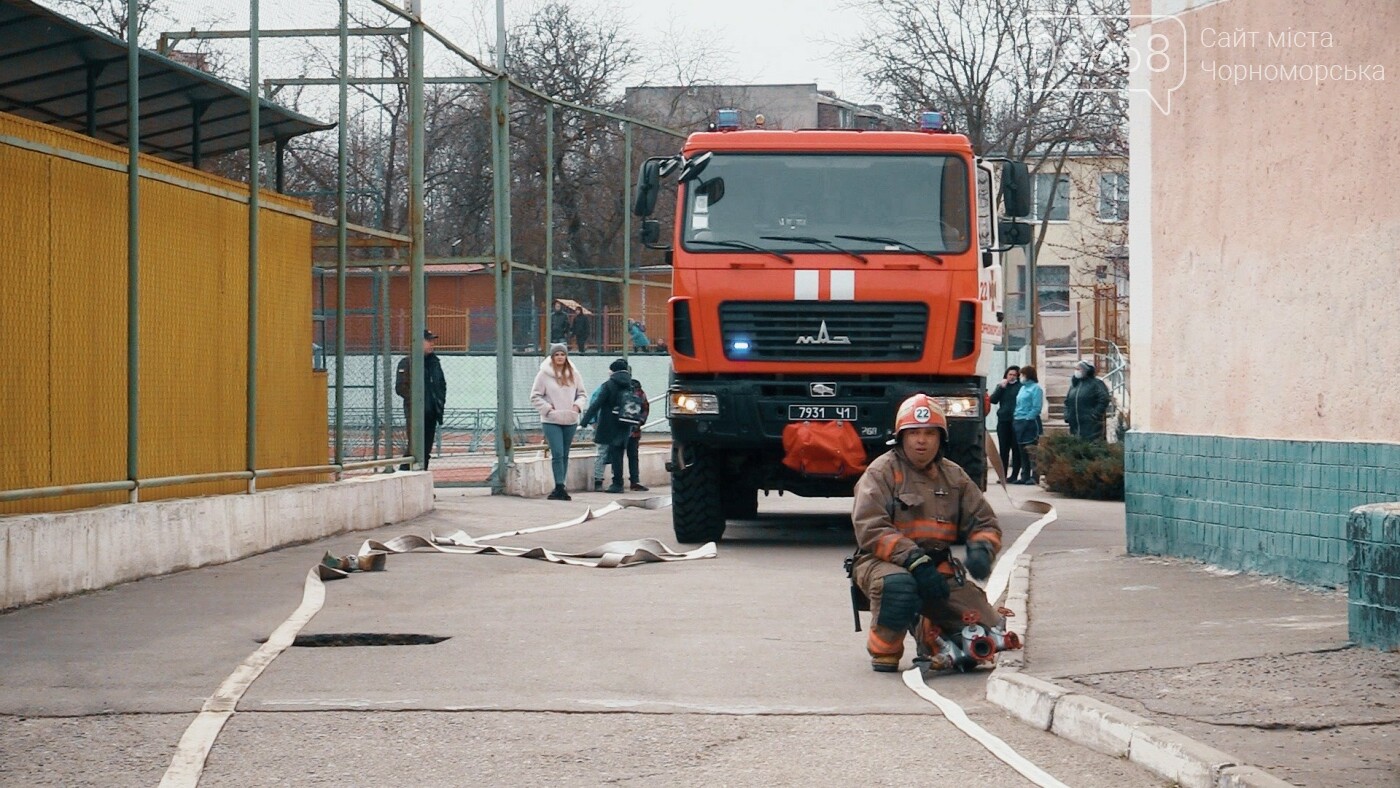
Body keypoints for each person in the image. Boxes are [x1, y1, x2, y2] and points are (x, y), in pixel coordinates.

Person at [850, 394, 1004, 673]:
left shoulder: (954, 477)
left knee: (988, 635)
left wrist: (982, 548)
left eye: (929, 433)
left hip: (936, 568)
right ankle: (885, 650)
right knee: (899, 586)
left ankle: (929, 632)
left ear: (940, 438)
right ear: (901, 438)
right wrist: (914, 560)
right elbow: (870, 527)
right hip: (884, 564)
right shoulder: (881, 472)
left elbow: (985, 522)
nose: (921, 440)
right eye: (914, 433)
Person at [530, 342, 588, 500]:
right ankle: (559, 486)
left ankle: (562, 485)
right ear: (552, 357)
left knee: (565, 454)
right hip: (551, 420)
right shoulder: (543, 374)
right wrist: (548, 409)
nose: (560, 357)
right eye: (557, 354)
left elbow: (582, 394)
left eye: (562, 354)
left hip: (570, 418)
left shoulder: (574, 374)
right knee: (557, 452)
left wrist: (577, 407)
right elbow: (535, 395)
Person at [395, 329, 447, 470]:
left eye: (432, 341)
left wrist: (439, 404)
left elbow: (441, 385)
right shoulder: (407, 363)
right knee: (415, 448)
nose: (432, 344)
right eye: (428, 341)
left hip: (431, 413)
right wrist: (417, 401)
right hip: (416, 413)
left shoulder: (434, 363)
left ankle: (421, 475)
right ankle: (405, 474)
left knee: (426, 450)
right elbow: (400, 387)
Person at [579, 358, 632, 494]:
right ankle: (618, 483)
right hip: (625, 423)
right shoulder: (630, 384)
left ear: (613, 370)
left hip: (609, 424)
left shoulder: (609, 385)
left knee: (603, 452)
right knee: (618, 453)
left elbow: (597, 404)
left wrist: (585, 421)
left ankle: (603, 482)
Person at [988, 365, 1024, 483]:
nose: (1012, 377)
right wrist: (1000, 387)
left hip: (1016, 420)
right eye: (1010, 375)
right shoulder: (1003, 387)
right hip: (1003, 420)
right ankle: (1002, 475)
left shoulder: (1020, 387)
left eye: (1014, 375)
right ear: (1006, 375)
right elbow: (992, 400)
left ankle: (1014, 475)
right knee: (1004, 449)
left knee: (1016, 449)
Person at [1011, 364, 1043, 484]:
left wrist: (1028, 418)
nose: (1020, 377)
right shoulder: (1022, 388)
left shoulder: (1036, 389)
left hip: (1030, 422)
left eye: (1022, 375)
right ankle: (1024, 475)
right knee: (1022, 450)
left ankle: (1034, 476)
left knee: (1031, 449)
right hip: (1018, 420)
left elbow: (1036, 407)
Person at [1065, 359, 1112, 441]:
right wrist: (1067, 415)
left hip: (1091, 427)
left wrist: (1095, 414)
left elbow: (1104, 399)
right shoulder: (1074, 385)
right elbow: (1067, 402)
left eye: (1079, 369)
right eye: (1076, 369)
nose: (1076, 371)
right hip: (1075, 425)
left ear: (1086, 371)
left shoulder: (1096, 384)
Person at [624, 377, 650, 491]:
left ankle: (617, 481)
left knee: (618, 456)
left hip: (621, 429)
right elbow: (646, 408)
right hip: (635, 429)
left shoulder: (621, 388)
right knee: (633, 456)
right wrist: (640, 422)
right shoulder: (640, 391)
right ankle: (635, 481)